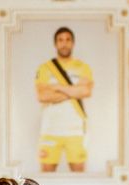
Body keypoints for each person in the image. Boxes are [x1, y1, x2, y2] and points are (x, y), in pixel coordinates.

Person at [35, 26, 93, 172]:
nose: (64, 43)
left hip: (76, 129)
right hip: (50, 128)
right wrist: (74, 90)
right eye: (60, 40)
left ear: (73, 43)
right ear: (55, 44)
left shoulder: (83, 67)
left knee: (79, 175)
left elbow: (86, 91)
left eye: (68, 40)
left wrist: (57, 87)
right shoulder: (45, 68)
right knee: (46, 176)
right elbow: (42, 95)